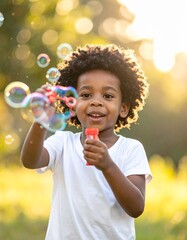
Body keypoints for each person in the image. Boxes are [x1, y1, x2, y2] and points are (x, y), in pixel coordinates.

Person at [21, 44, 152, 240]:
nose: (96, 102)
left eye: (107, 96)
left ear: (123, 108)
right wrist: (41, 121)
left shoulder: (130, 149)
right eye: (85, 95)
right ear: (72, 106)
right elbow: (30, 161)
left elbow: (136, 207)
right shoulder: (63, 142)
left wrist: (107, 165)